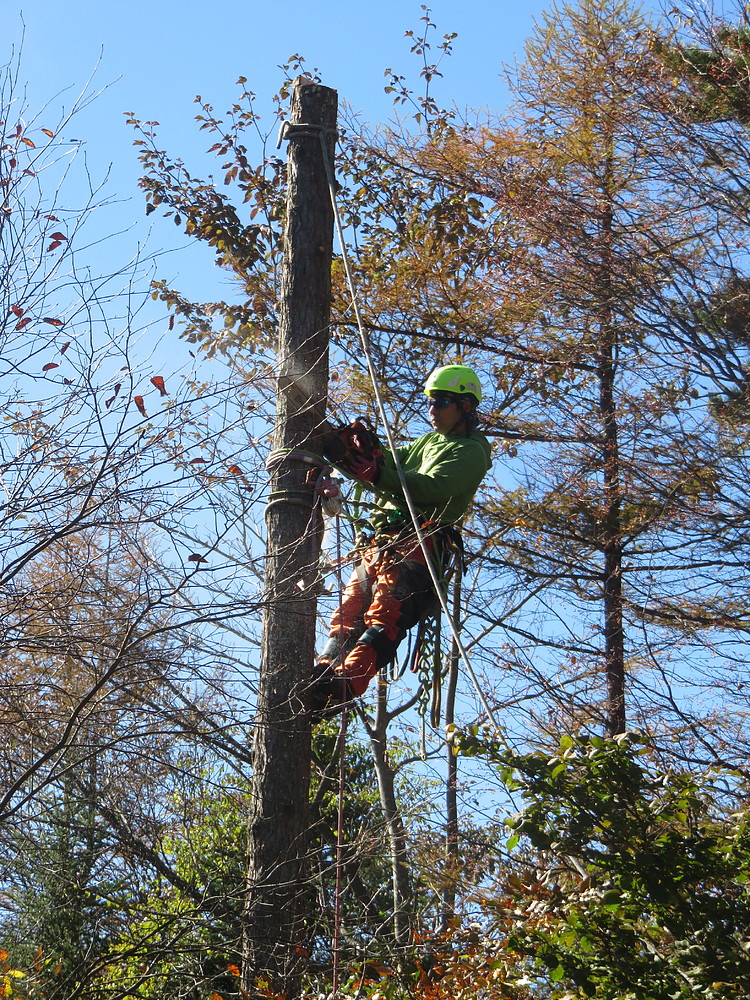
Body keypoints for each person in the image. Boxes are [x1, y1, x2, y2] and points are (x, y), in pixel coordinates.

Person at [310, 364, 492, 716]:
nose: (432, 410)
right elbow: (393, 462)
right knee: (347, 615)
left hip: (421, 540)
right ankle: (322, 673)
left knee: (385, 615)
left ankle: (343, 686)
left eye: (441, 402)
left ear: (466, 407)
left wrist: (379, 473)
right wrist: (368, 449)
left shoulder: (472, 451)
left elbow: (431, 487)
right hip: (380, 541)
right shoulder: (429, 441)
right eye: (430, 402)